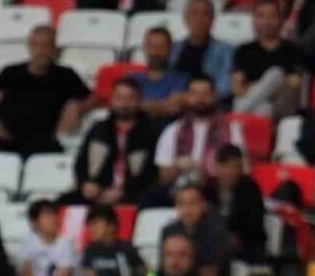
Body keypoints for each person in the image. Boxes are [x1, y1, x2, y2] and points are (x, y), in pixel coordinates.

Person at [0, 25, 91, 158]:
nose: (41, 51)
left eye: (46, 45)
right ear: (29, 46)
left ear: (55, 48)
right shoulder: (10, 72)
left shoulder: (67, 75)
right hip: (5, 136)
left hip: (43, 139)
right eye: (36, 45)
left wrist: (77, 108)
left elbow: (94, 99)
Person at [71, 78, 157, 207]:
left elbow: (152, 173)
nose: (124, 104)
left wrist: (123, 192)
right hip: (98, 192)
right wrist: (86, 183)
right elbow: (81, 163)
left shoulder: (151, 131)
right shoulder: (99, 129)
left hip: (135, 195)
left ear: (139, 100)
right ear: (111, 100)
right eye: (119, 98)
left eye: (130, 98)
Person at [154, 75, 246, 193]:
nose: (200, 99)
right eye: (194, 94)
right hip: (179, 192)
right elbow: (163, 178)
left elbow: (239, 170)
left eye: (206, 94)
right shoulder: (173, 130)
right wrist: (177, 166)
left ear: (215, 96)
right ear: (186, 97)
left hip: (218, 192)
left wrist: (208, 169)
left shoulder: (232, 129)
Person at [232, 0, 305, 121]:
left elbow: (295, 82)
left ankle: (237, 114)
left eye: (272, 16)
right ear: (254, 20)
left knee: (275, 74)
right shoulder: (244, 50)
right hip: (259, 108)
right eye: (261, 16)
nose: (266, 21)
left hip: (283, 104)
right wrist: (267, 88)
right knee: (264, 109)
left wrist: (257, 85)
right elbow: (238, 88)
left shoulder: (292, 49)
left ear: (281, 20)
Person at [82, 204, 145, 276]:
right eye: (90, 225)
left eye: (95, 224)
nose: (91, 229)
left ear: (111, 226)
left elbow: (143, 273)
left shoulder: (126, 248)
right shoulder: (91, 251)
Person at [207, 144, 267, 264]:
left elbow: (252, 227)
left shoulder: (249, 189)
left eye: (235, 167)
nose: (231, 172)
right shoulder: (208, 189)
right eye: (226, 166)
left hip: (245, 244)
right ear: (217, 167)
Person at [164, 182, 233, 276]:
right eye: (181, 204)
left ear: (203, 205)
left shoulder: (216, 232)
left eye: (192, 203)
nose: (187, 209)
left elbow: (209, 275)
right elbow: (164, 268)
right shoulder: (169, 231)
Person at [171, 0, 235, 101]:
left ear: (212, 19)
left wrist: (199, 98)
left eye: (206, 14)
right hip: (176, 103)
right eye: (194, 13)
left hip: (210, 104)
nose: (199, 19)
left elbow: (225, 87)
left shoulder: (225, 51)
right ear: (186, 19)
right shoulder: (173, 49)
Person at [15, 200, 77, 276]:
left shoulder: (66, 243)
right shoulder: (29, 242)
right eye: (47, 215)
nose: (53, 219)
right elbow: (27, 273)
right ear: (35, 222)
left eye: (54, 215)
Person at [136, 27, 189, 121]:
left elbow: (173, 108)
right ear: (145, 48)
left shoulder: (182, 79)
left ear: (170, 49)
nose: (156, 52)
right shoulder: (133, 79)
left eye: (161, 47)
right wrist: (162, 104)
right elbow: (126, 105)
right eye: (152, 46)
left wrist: (141, 105)